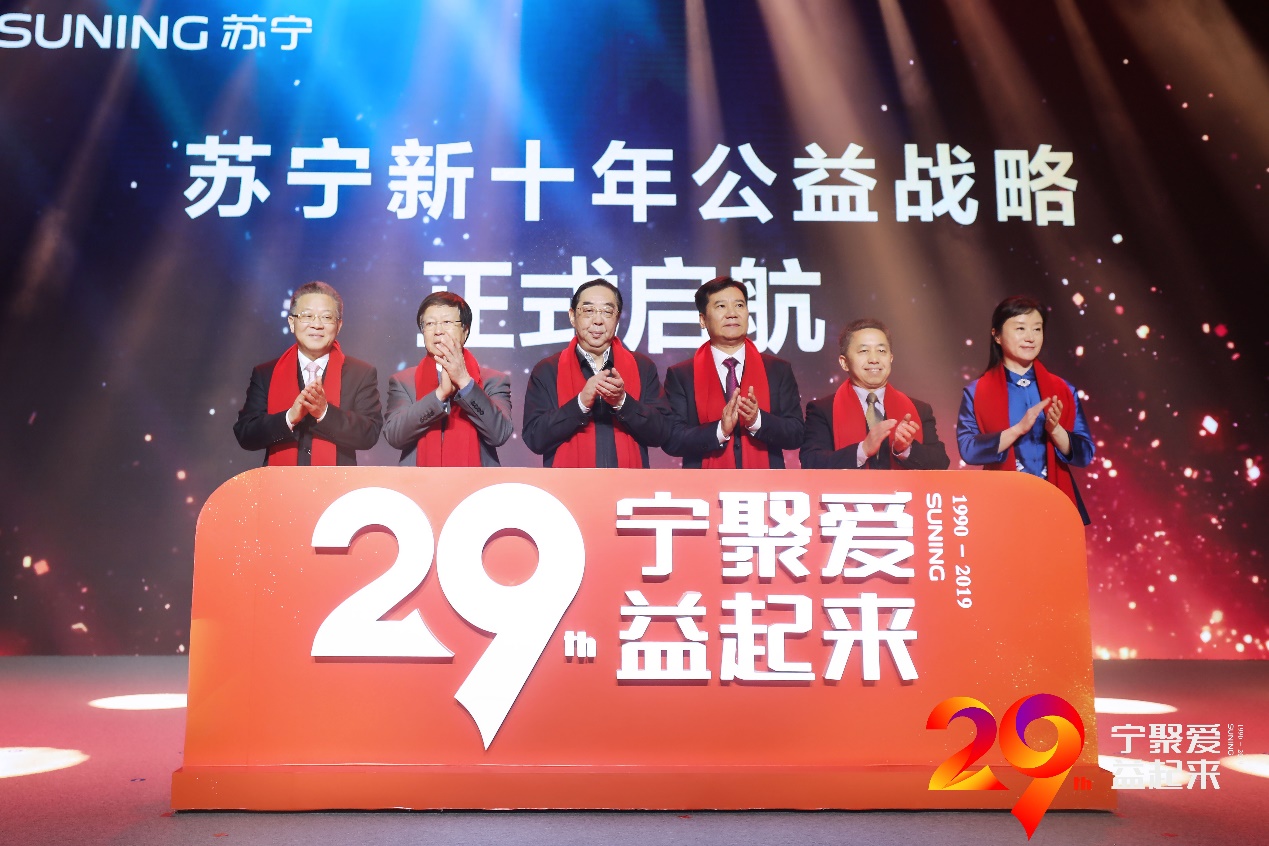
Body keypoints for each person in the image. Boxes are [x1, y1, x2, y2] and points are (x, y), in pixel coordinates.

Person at [957, 295, 1094, 523]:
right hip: (1002, 509)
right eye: (1020, 328)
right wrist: (1017, 430)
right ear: (997, 335)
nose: (1030, 337)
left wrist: (1056, 430)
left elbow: (1085, 454)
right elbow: (968, 450)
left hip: (1055, 506)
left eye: (1037, 329)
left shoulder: (1063, 389)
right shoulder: (976, 391)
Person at [521, 278, 670, 467]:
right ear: (572, 316)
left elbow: (663, 433)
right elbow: (535, 438)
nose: (598, 321)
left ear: (617, 318)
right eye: (588, 311)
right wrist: (580, 404)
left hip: (628, 483)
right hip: (568, 483)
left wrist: (623, 402)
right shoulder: (548, 369)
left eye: (607, 312)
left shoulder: (642, 366)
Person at [234, 281, 383, 466]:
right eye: (307, 316)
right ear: (292, 323)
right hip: (280, 483)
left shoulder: (360, 373)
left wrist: (324, 413)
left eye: (326, 317)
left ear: (339, 325)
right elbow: (245, 434)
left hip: (337, 483)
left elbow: (369, 434)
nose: (316, 324)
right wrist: (289, 417)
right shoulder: (266, 373)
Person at [663, 277, 804, 468]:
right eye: (721, 306)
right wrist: (719, 430)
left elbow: (796, 434)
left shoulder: (778, 370)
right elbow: (672, 440)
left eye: (739, 305)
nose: (732, 314)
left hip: (765, 484)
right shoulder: (682, 375)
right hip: (705, 484)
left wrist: (757, 420)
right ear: (703, 320)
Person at [383, 291, 513, 466]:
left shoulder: (494, 381)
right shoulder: (404, 381)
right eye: (430, 323)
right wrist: (439, 395)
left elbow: (499, 434)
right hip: (419, 481)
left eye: (447, 322)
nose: (438, 331)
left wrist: (465, 383)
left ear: (465, 331)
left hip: (475, 482)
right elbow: (395, 436)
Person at [801, 319, 950, 470]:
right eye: (864, 351)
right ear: (844, 362)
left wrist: (905, 449)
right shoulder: (823, 410)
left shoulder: (919, 410)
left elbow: (941, 462)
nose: (874, 359)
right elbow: (811, 462)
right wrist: (863, 450)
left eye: (881, 351)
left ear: (891, 358)